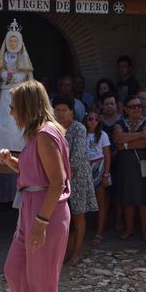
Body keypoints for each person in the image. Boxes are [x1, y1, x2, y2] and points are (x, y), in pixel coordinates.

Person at [0, 80, 71, 292]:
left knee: (42, 282)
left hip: (46, 213)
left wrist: (40, 221)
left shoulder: (46, 135)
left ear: (27, 107)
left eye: (14, 107)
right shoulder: (37, 135)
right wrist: (11, 162)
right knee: (15, 272)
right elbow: (35, 175)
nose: (12, 113)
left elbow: (57, 182)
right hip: (31, 209)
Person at [53, 94, 97, 265]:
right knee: (63, 216)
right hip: (58, 177)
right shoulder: (52, 128)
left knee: (78, 214)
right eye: (57, 110)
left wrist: (61, 176)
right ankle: (64, 251)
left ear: (72, 111)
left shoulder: (78, 128)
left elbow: (77, 157)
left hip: (76, 177)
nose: (61, 113)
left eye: (64, 110)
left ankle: (77, 251)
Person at [0, 19, 35, 152]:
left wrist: (14, 77)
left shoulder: (22, 56)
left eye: (15, 41)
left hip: (20, 94)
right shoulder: (4, 56)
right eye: (11, 41)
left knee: (19, 122)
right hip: (5, 94)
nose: (13, 43)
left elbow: (25, 74)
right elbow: (0, 73)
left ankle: (21, 147)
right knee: (3, 120)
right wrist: (6, 76)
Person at [113, 94, 146, 241]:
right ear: (126, 109)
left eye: (139, 106)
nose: (137, 109)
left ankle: (145, 231)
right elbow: (117, 139)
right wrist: (139, 136)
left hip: (142, 167)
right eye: (133, 107)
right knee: (127, 200)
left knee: (144, 200)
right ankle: (128, 229)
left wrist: (125, 144)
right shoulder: (119, 123)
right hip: (125, 168)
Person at [84, 112, 111, 246]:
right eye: (90, 119)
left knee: (101, 202)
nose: (93, 121)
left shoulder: (103, 135)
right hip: (84, 168)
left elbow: (107, 155)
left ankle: (100, 232)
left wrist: (106, 174)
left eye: (96, 119)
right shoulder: (81, 134)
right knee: (83, 202)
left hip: (99, 168)